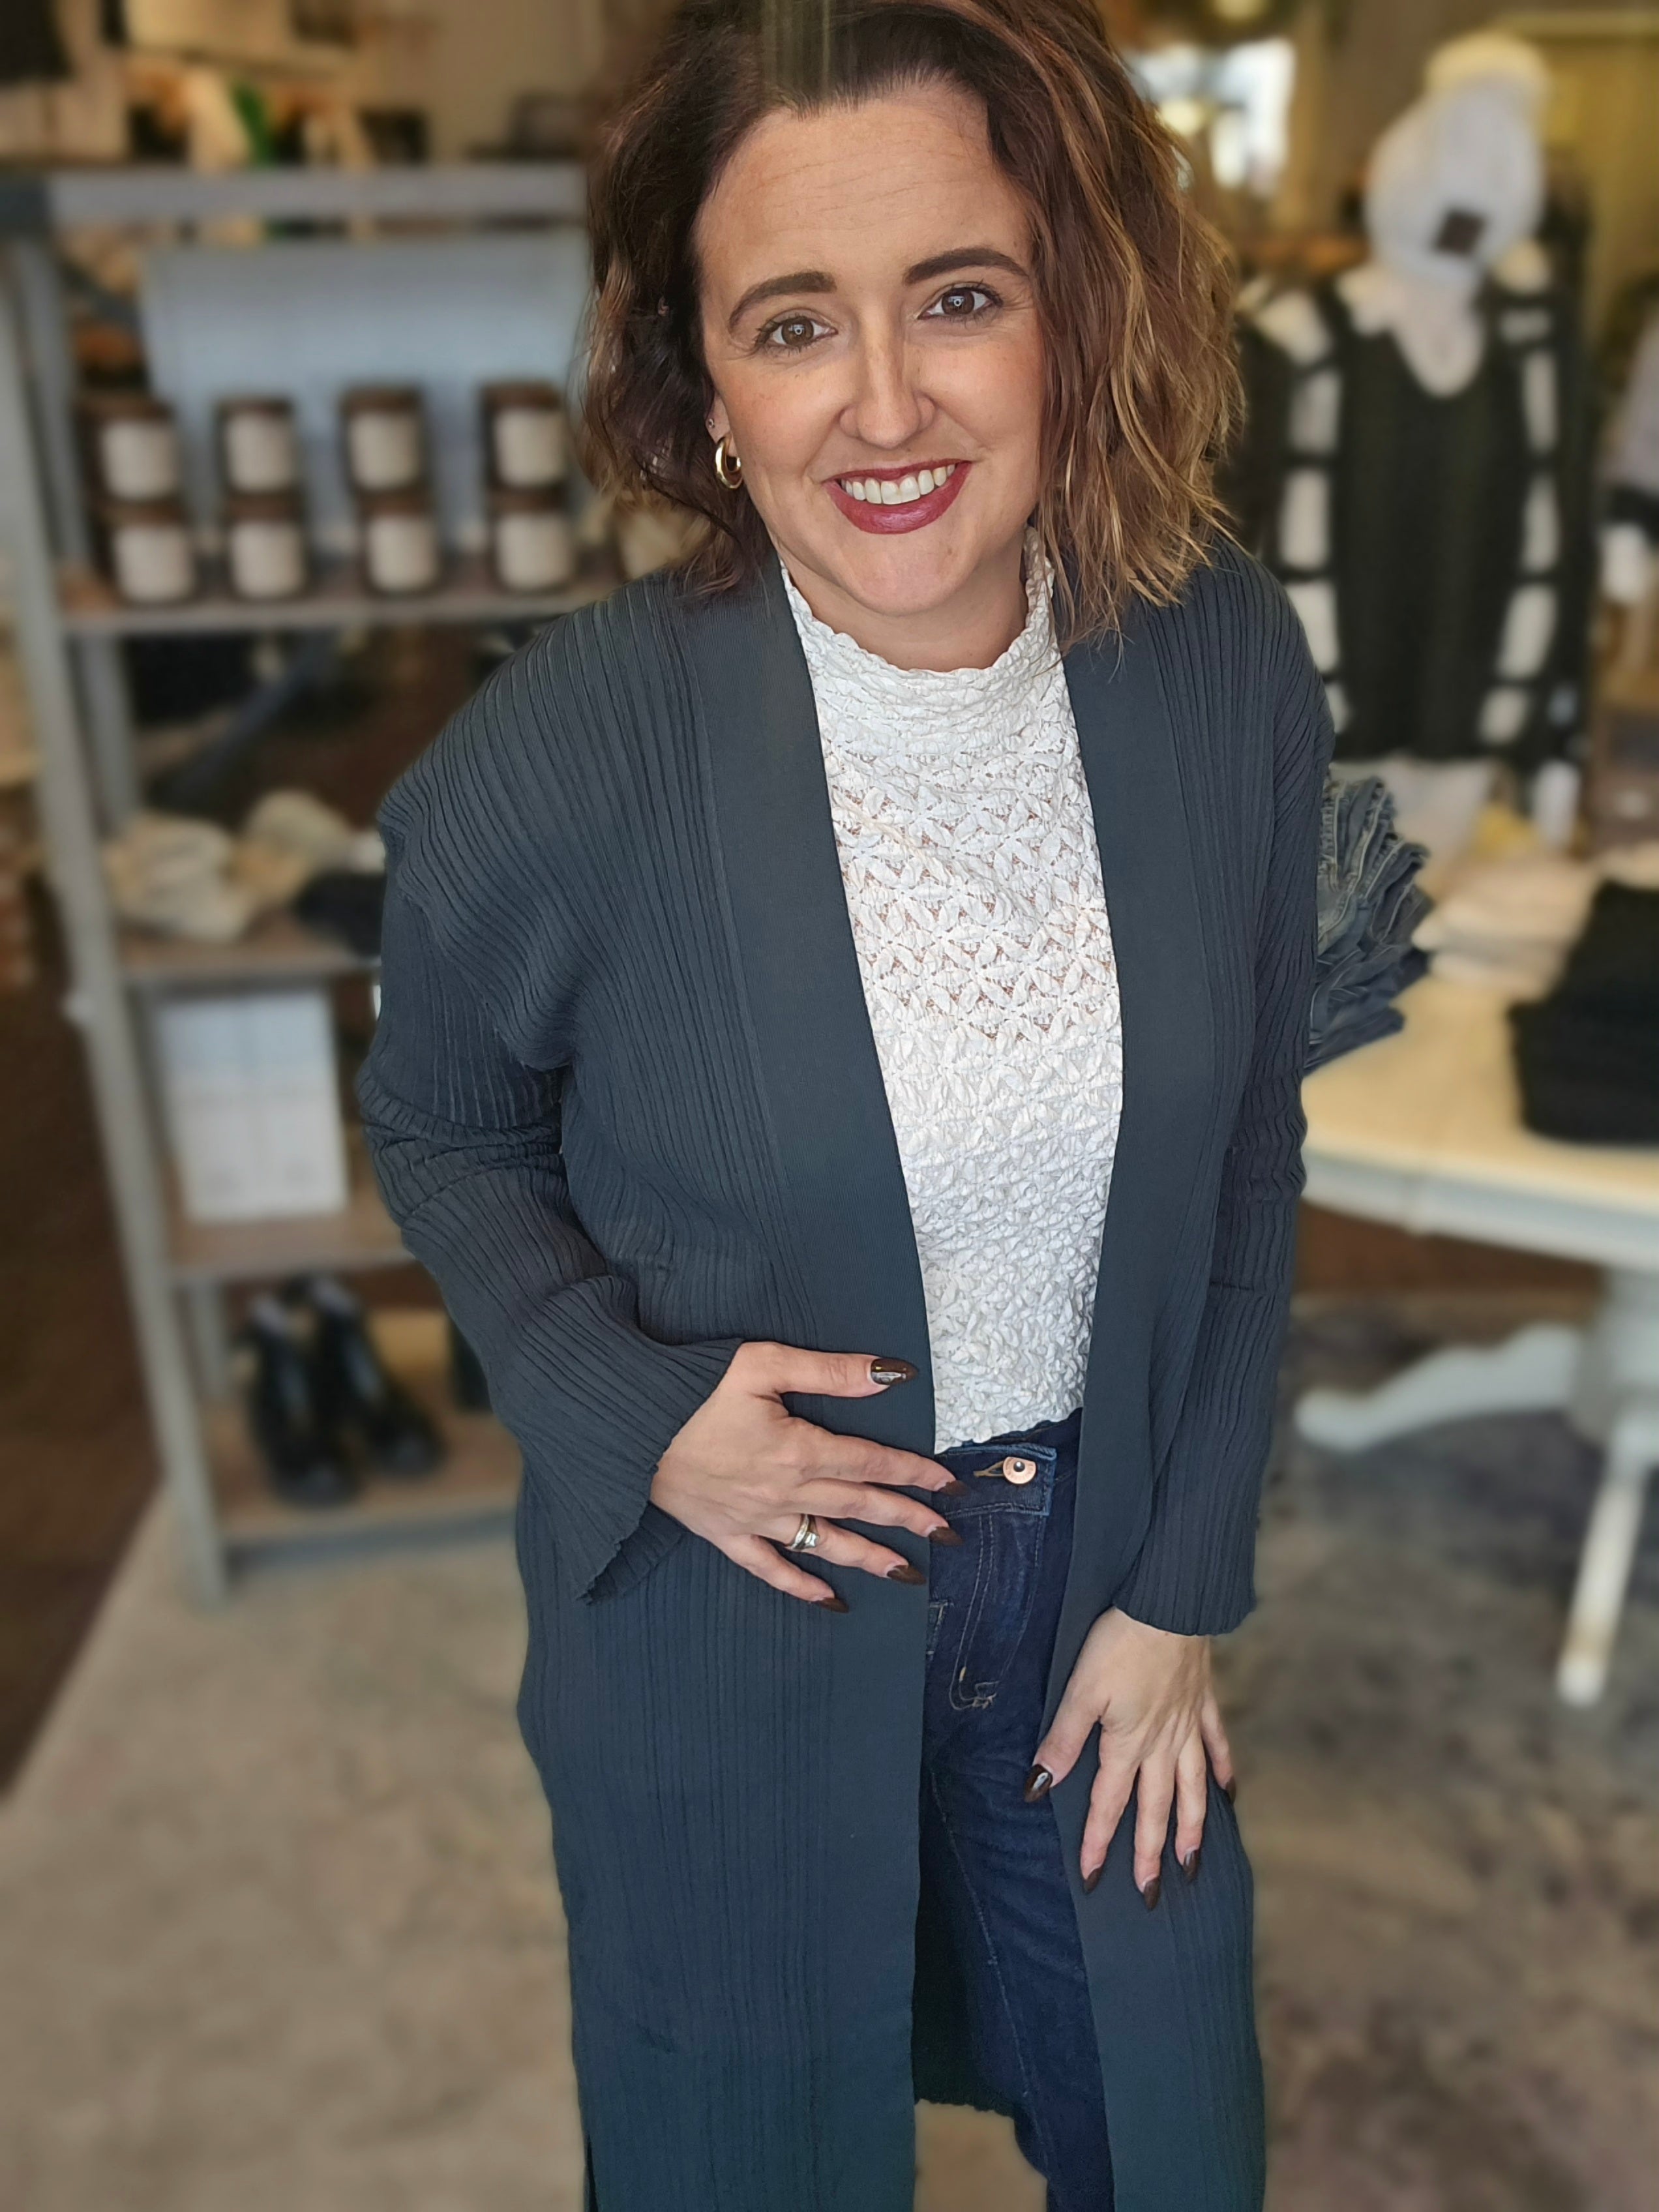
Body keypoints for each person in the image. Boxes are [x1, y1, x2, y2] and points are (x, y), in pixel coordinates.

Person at [359, 3, 1330, 2205]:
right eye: (795, 325)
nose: (884, 407)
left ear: (1074, 314)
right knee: (749, 2147)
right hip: (735, 1601)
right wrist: (635, 1412)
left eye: (958, 298)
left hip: (1093, 1577)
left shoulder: (1220, 664)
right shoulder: (567, 748)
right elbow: (440, 1124)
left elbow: (1253, 1148)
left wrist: (1186, 1589)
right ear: (707, 386)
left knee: (1170, 2132)